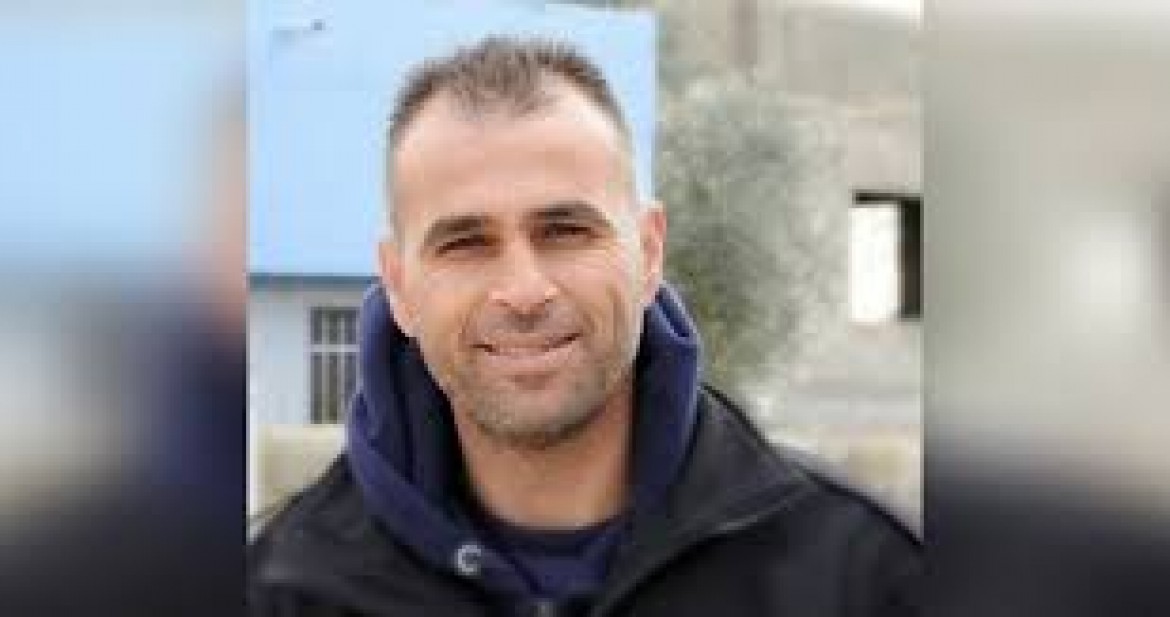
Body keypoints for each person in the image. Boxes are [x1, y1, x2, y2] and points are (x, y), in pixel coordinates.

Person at [248, 36, 920, 617]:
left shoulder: (861, 577)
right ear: (397, 284)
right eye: (466, 243)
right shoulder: (280, 589)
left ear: (649, 252)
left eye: (565, 230)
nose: (524, 291)